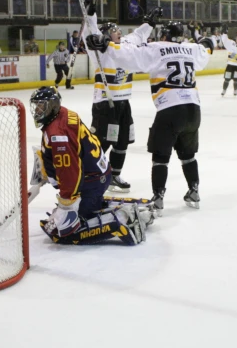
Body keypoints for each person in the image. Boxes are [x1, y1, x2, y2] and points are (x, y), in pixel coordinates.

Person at [86, 1, 215, 211]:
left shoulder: (156, 49)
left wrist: (106, 44)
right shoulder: (191, 48)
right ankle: (194, 191)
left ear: (163, 36)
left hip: (170, 109)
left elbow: (131, 53)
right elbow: (207, 48)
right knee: (188, 154)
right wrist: (202, 37)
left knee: (161, 155)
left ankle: (158, 197)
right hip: (194, 109)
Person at [30, 86, 152, 245]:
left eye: (41, 106)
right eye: (36, 105)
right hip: (96, 173)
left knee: (64, 232)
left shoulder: (58, 134)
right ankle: (94, 202)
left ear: (52, 105)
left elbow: (70, 172)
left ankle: (124, 216)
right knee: (77, 211)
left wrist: (67, 202)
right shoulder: (63, 113)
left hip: (92, 180)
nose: (37, 110)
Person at [83, 0, 154, 194]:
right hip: (106, 104)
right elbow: (90, 30)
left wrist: (150, 22)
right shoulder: (99, 49)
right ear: (106, 35)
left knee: (122, 141)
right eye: (115, 31)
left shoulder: (126, 47)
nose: (119, 33)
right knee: (102, 143)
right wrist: (91, 10)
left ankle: (114, 176)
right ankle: (91, 175)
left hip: (123, 104)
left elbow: (139, 35)